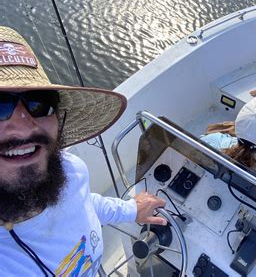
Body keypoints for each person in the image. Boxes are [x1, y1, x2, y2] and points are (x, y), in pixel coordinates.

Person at [0, 26, 166, 276]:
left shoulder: (68, 168)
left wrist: (131, 210)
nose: (24, 125)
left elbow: (82, 203)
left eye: (39, 103)